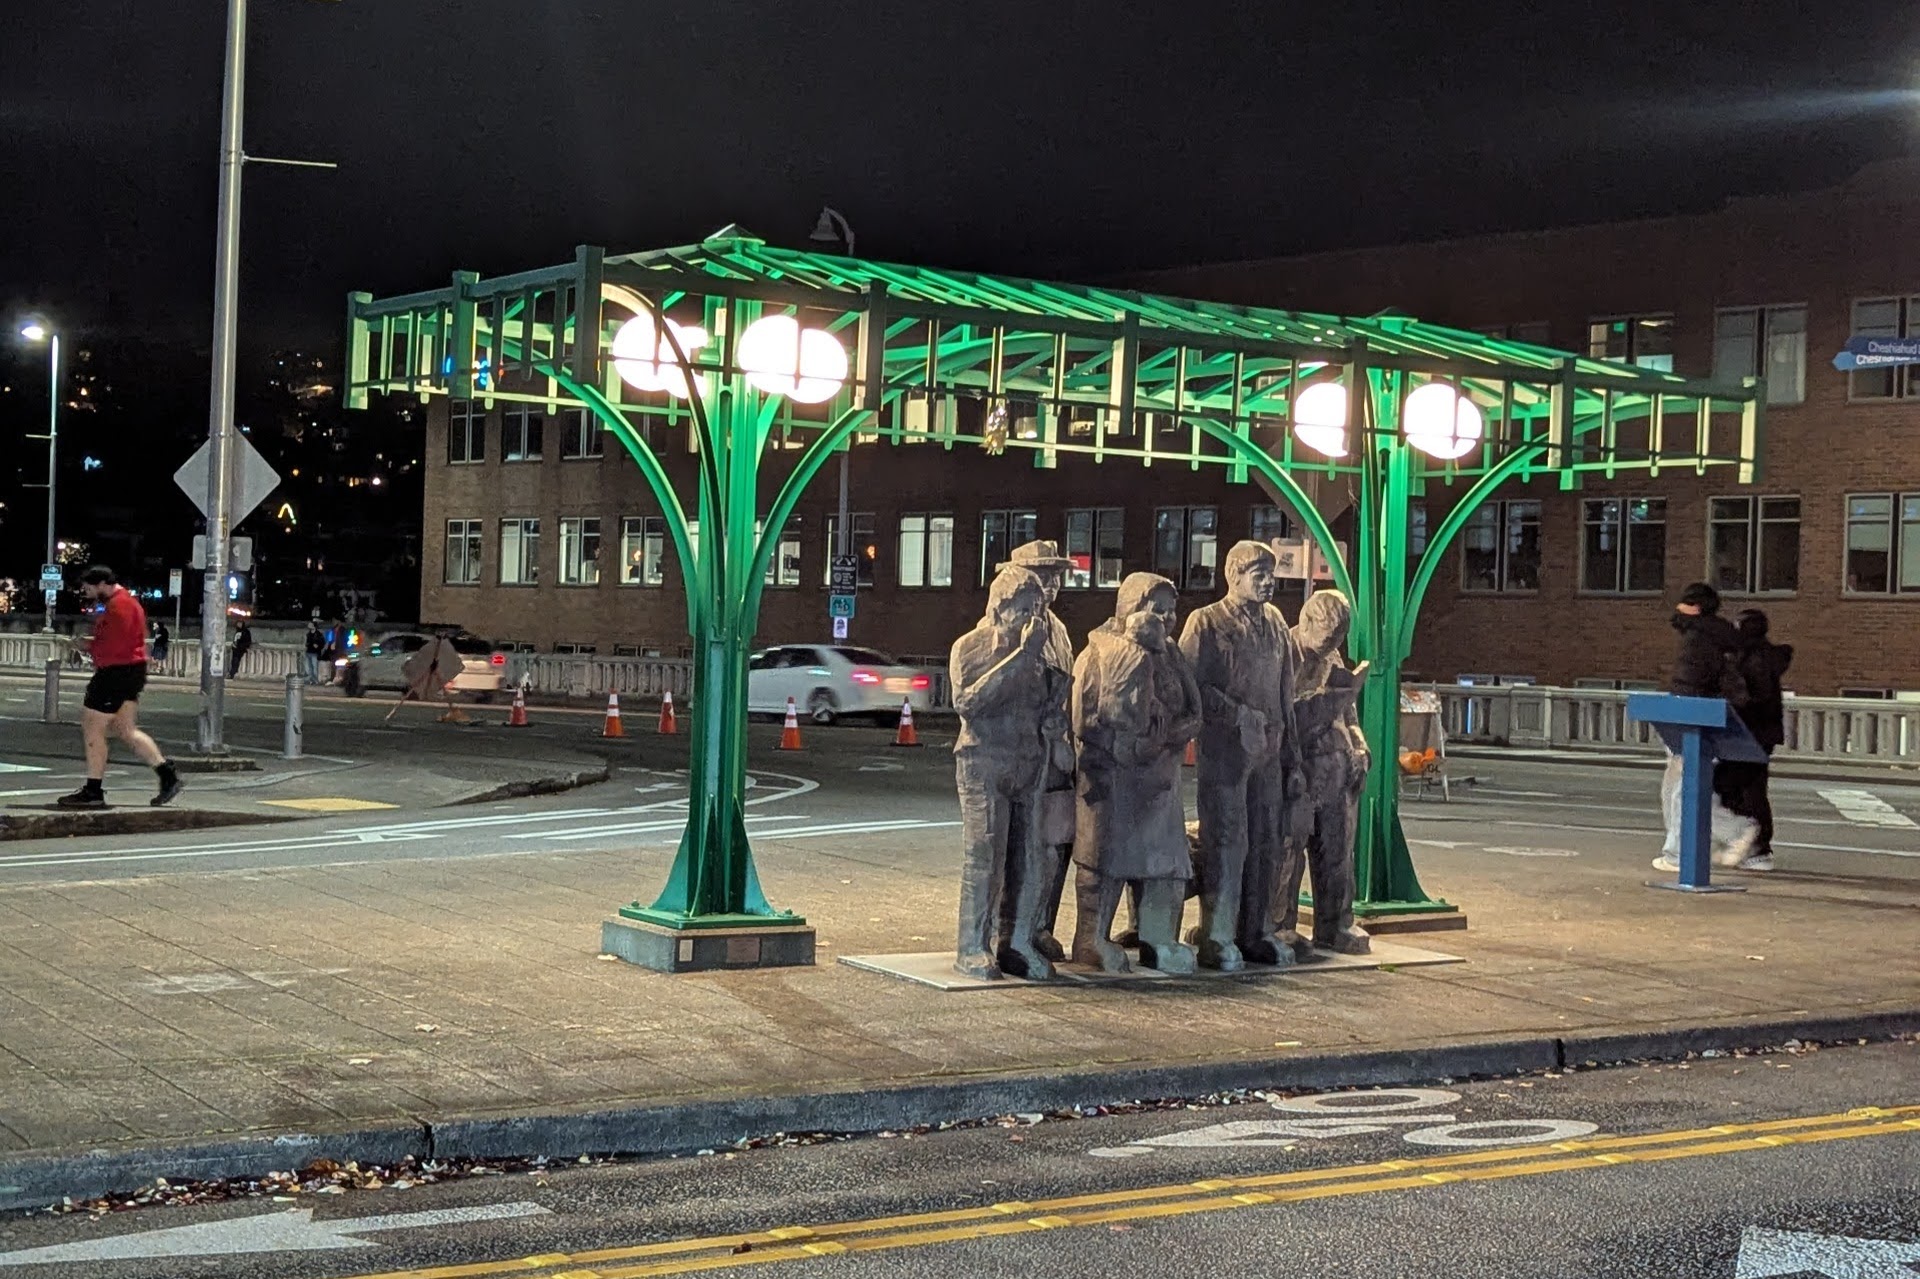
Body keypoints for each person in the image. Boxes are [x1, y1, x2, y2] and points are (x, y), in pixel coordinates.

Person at [1069, 572, 1202, 974]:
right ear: (1129, 608)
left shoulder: (1172, 654)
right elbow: (1081, 719)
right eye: (1154, 608)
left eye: (1170, 610)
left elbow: (1194, 713)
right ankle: (1092, 937)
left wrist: (1168, 737)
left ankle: (1158, 937)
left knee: (1166, 863)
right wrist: (1120, 746)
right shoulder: (1098, 653)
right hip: (1113, 778)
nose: (1165, 618)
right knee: (1105, 859)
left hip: (1160, 782)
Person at [1179, 541, 1304, 971]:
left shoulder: (1276, 624)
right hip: (1227, 752)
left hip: (1269, 750)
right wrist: (1235, 714)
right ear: (1233, 575)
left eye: (1271, 574)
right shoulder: (1206, 623)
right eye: (1259, 574)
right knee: (1228, 842)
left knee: (1267, 841)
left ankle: (1257, 930)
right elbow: (1190, 686)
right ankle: (1218, 933)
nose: (1268, 582)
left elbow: (1287, 695)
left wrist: (1293, 757)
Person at [950, 566, 1056, 981]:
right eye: (1024, 610)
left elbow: (1041, 706)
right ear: (1000, 607)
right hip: (983, 761)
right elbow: (968, 703)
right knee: (985, 857)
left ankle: (1017, 941)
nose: (1032, 619)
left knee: (1028, 858)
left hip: (1028, 761)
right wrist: (1021, 658)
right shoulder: (971, 646)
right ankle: (973, 946)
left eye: (1037, 610)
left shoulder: (1039, 654)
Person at [992, 540, 1078, 963]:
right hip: (1026, 750)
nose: (1050, 585)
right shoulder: (1006, 627)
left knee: (1057, 843)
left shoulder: (1057, 628)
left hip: (1058, 753)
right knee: (1023, 846)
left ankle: (1042, 924)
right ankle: (1012, 928)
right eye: (1042, 575)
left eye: (1055, 576)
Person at [1280, 589, 1372, 957]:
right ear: (1306, 622)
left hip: (1338, 770)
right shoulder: (1284, 655)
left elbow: (1348, 714)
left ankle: (1335, 924)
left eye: (1338, 639)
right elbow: (1285, 718)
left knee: (1337, 852)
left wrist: (1360, 747)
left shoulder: (1330, 652)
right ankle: (1280, 925)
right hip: (1301, 768)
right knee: (1291, 851)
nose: (1331, 646)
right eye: (1327, 638)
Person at [58, 566, 181, 809]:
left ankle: (93, 790)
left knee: (93, 727)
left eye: (89, 588)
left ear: (102, 583)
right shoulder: (127, 603)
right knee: (125, 729)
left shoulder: (118, 607)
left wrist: (87, 646)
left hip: (115, 673)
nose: (88, 593)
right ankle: (167, 774)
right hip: (131, 671)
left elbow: (114, 645)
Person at [1656, 582, 1757, 871]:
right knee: (1680, 786)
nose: (1677, 608)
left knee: (1683, 789)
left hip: (1692, 717)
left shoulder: (1698, 638)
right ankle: (1696, 843)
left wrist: (1678, 704)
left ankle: (1688, 848)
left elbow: (1690, 682)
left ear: (1695, 607)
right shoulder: (1720, 637)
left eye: (1684, 603)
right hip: (1707, 715)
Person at [1714, 609, 1792, 872]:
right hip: (1762, 734)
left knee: (1738, 787)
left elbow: (1748, 699)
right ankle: (1752, 844)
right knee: (1750, 787)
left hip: (1748, 732)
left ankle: (1754, 845)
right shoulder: (1767, 656)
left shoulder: (1751, 659)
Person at [304, 617, 325, 684]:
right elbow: (307, 643)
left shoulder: (318, 634)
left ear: (314, 625)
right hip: (309, 652)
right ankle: (310, 680)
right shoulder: (309, 634)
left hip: (314, 653)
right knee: (309, 668)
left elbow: (322, 643)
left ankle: (315, 680)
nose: (309, 625)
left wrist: (318, 646)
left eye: (310, 624)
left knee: (314, 667)